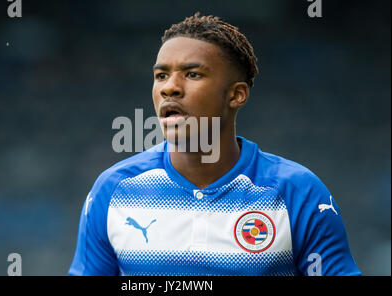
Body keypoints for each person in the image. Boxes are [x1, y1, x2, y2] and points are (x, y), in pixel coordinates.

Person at [69, 13, 361, 276]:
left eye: (192, 74)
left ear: (236, 95)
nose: (169, 86)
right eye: (161, 75)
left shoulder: (296, 191)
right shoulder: (114, 190)